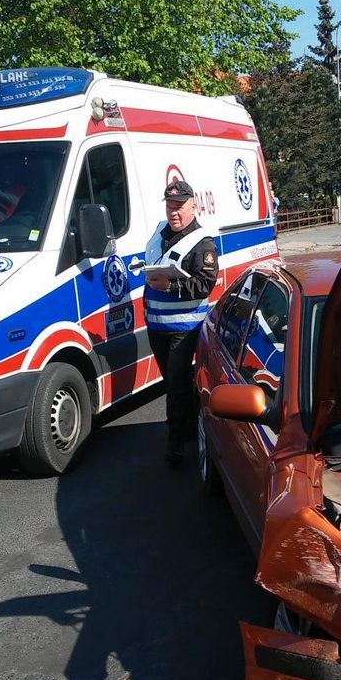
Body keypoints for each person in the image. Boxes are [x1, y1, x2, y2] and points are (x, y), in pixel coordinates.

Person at [143, 179, 219, 466]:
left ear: (193, 207)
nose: (174, 212)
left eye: (179, 207)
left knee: (175, 383)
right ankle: (191, 426)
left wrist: (169, 288)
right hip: (157, 325)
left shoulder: (202, 243)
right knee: (175, 381)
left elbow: (205, 285)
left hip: (184, 329)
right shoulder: (160, 233)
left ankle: (175, 443)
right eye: (170, 206)